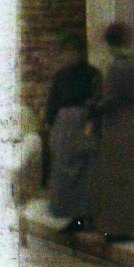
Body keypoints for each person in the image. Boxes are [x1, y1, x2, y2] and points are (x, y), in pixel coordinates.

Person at [90, 22, 134, 240]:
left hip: (117, 124)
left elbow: (114, 98)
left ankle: (119, 227)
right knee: (132, 175)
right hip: (132, 122)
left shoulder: (119, 66)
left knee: (117, 175)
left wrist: (95, 107)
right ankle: (133, 224)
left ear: (110, 43)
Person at [43, 34, 102, 229]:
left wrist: (91, 127)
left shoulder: (92, 74)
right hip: (65, 126)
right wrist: (50, 123)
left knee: (87, 170)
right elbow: (53, 103)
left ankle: (88, 215)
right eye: (67, 53)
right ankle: (73, 216)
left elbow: (98, 100)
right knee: (66, 170)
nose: (70, 56)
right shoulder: (62, 76)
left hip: (84, 122)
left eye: (73, 52)